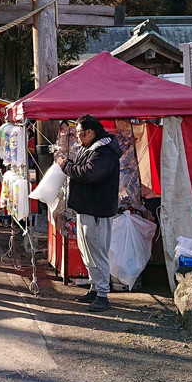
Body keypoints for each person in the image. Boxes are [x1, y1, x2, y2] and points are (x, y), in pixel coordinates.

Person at [56, 114, 121, 312]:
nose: (77, 137)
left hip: (98, 210)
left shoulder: (104, 152)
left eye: (79, 133)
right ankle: (95, 288)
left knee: (97, 252)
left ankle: (102, 294)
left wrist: (65, 165)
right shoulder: (93, 149)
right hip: (88, 208)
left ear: (90, 132)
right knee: (88, 251)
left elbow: (89, 173)